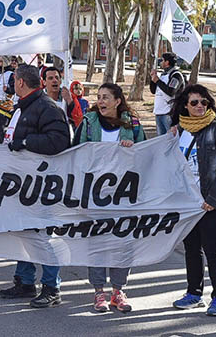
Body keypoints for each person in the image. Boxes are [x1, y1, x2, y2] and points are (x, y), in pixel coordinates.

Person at [0, 64, 70, 308]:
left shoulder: (47, 107)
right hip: (20, 184)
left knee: (43, 238)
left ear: (20, 82)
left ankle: (52, 286)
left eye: (13, 81)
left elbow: (60, 141)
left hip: (41, 185)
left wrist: (26, 141)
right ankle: (25, 281)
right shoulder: (23, 106)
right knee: (23, 235)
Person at [72, 83, 145, 313]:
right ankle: (98, 292)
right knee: (97, 242)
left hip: (123, 196)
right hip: (94, 195)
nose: (101, 101)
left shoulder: (132, 124)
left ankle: (118, 291)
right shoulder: (88, 122)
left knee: (122, 243)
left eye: (106, 98)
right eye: (99, 97)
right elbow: (75, 152)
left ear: (117, 101)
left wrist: (131, 148)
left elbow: (145, 154)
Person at [170, 84, 216, 316]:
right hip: (188, 202)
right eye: (194, 103)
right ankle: (194, 293)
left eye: (203, 102)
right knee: (192, 248)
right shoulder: (178, 132)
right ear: (185, 106)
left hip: (214, 202)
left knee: (213, 248)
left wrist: (213, 198)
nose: (199, 106)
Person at [150, 52, 185, 135]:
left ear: (167, 62)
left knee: (171, 138)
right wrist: (153, 79)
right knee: (161, 141)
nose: (160, 62)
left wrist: (158, 81)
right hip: (159, 112)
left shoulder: (176, 75)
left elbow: (171, 91)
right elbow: (153, 91)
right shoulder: (163, 75)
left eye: (162, 60)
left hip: (169, 114)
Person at [0, 57, 15, 143]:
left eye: (1, 62)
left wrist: (7, 90)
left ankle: (3, 145)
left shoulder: (10, 74)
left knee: (1, 128)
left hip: (5, 106)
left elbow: (14, 90)